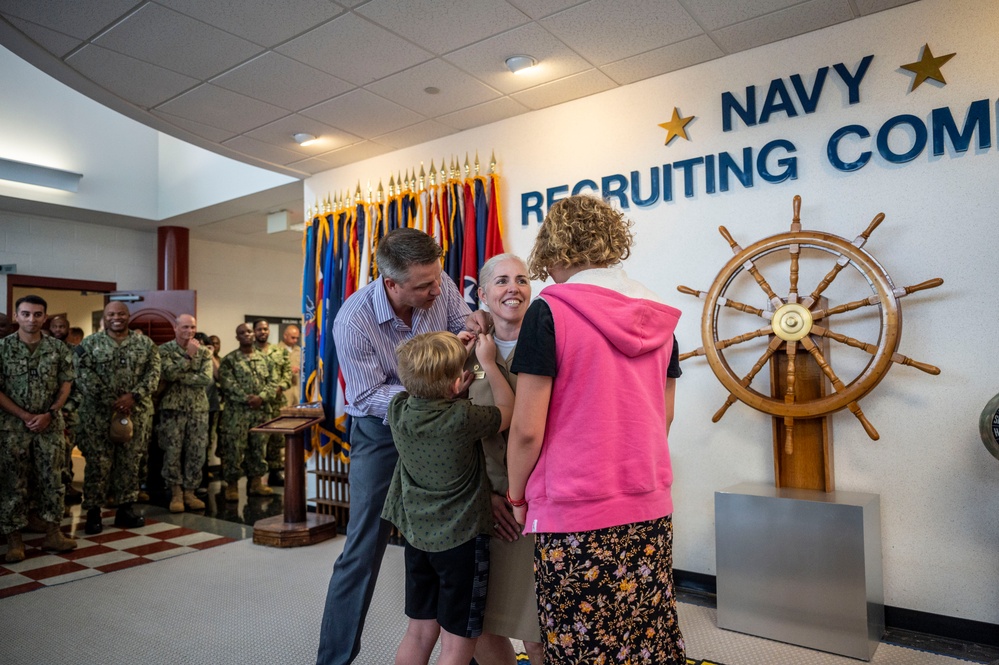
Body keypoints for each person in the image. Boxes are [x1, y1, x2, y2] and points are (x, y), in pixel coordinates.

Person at [506, 195, 686, 664]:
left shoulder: (549, 312)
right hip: (648, 503)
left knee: (579, 642)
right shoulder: (660, 316)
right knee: (643, 634)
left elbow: (527, 428)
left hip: (573, 509)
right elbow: (663, 416)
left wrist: (517, 496)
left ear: (556, 251)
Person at [316, 227, 487, 665]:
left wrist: (471, 325)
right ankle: (333, 660)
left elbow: (456, 324)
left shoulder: (440, 283)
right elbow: (363, 395)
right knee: (363, 547)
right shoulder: (353, 320)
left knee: (463, 530)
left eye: (438, 278)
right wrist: (429, 392)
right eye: (424, 285)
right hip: (381, 431)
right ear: (391, 283)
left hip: (447, 421)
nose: (438, 288)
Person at [382, 331, 514, 665]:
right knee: (457, 643)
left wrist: (448, 373)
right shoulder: (462, 418)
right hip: (462, 544)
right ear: (458, 383)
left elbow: (423, 390)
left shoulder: (398, 410)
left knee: (419, 631)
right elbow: (508, 410)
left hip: (417, 539)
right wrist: (487, 364)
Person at [466, 254, 544, 665]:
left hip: (537, 505)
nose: (513, 287)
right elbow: (453, 441)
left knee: (537, 633)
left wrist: (519, 497)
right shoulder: (465, 353)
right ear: (482, 294)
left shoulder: (550, 342)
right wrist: (485, 497)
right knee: (477, 627)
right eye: (501, 281)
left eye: (522, 279)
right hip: (484, 506)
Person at [0, 295, 77, 562]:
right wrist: (23, 415)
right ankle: (14, 542)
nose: (31, 319)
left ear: (45, 316)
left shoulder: (58, 349)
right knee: (13, 483)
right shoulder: (2, 349)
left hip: (49, 426)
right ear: (16, 316)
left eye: (37, 314)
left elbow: (66, 384)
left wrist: (50, 413)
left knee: (53, 480)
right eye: (26, 314)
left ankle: (53, 534)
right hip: (12, 428)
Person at [74, 302, 161, 535]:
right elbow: (82, 374)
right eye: (111, 314)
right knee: (98, 464)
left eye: (121, 313)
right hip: (98, 415)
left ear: (128, 316)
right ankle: (93, 512)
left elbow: (154, 374)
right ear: (105, 317)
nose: (116, 318)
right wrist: (113, 400)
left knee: (130, 463)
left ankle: (126, 509)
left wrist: (133, 396)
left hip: (137, 413)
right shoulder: (90, 344)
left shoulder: (145, 344)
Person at [157, 315, 213, 513]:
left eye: (193, 327)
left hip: (198, 409)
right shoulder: (163, 350)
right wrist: (188, 356)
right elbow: (168, 374)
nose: (189, 331)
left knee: (196, 451)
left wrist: (182, 374)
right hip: (172, 409)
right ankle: (176, 492)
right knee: (172, 451)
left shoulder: (204, 352)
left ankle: (190, 492)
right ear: (175, 328)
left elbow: (206, 379)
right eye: (185, 327)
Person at [218, 323, 277, 501]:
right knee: (234, 450)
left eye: (249, 332)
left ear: (253, 334)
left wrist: (261, 397)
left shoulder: (266, 359)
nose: (247, 335)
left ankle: (256, 483)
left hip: (260, 412)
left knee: (259, 449)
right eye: (242, 333)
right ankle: (232, 485)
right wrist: (246, 398)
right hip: (237, 414)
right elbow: (227, 384)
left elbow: (274, 382)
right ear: (237, 337)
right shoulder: (229, 360)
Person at [254, 319, 292, 487]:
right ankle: (256, 477)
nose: (263, 331)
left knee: (277, 440)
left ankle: (275, 473)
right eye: (259, 329)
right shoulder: (249, 351)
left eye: (265, 329)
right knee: (258, 441)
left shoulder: (279, 351)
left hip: (276, 403)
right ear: (254, 331)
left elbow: (287, 374)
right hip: (258, 404)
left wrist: (281, 386)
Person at [279, 324, 302, 406]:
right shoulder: (276, 350)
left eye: (297, 338)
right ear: (285, 336)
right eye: (293, 337)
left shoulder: (300, 351)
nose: (295, 340)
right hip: (283, 389)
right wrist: (288, 370)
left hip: (297, 388)